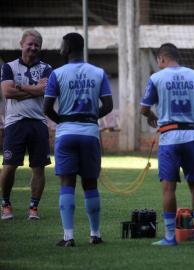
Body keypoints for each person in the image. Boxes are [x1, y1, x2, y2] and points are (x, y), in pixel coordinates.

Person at [43, 32, 113, 247]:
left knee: (67, 183)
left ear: (69, 48)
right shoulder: (98, 72)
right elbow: (108, 106)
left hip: (66, 133)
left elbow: (47, 108)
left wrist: (63, 121)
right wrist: (91, 118)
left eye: (62, 46)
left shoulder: (58, 73)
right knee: (90, 183)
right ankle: (95, 234)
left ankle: (69, 237)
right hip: (90, 133)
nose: (59, 50)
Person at [140, 43, 194, 246]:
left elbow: (143, 109)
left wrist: (152, 116)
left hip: (169, 137)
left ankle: (170, 237)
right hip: (191, 135)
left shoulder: (156, 78)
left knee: (168, 188)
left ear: (161, 58)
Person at [0, 29, 52, 220]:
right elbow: (7, 92)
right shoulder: (9, 67)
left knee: (39, 167)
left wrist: (20, 87)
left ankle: (33, 208)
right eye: (30, 43)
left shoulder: (46, 68)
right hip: (15, 123)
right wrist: (35, 89)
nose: (33, 47)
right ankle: (5, 204)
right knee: (9, 166)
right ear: (21, 44)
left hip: (38, 123)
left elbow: (45, 91)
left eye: (37, 44)